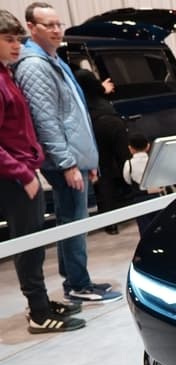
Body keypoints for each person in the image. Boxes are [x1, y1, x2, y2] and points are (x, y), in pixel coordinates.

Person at [13, 2, 121, 304]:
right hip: (63, 161)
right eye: (48, 25)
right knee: (73, 221)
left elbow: (74, 114)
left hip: (74, 158)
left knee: (74, 220)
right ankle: (77, 284)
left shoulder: (52, 60)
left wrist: (88, 160)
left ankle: (77, 280)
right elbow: (45, 120)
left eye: (58, 24)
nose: (57, 30)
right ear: (32, 28)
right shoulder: (34, 66)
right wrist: (67, 163)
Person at [0, 9, 85, 333]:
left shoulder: (7, 74)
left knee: (35, 244)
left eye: (18, 39)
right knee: (27, 245)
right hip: (13, 178)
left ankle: (40, 303)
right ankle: (38, 313)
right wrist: (22, 173)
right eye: (8, 39)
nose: (16, 46)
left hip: (23, 171)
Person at [75, 67, 129, 235]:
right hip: (111, 120)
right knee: (127, 164)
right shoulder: (85, 75)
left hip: (94, 125)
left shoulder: (72, 80)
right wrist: (103, 87)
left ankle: (110, 224)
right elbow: (100, 89)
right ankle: (142, 207)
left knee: (104, 172)